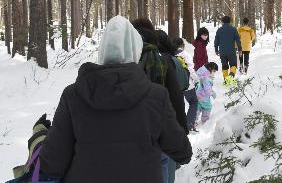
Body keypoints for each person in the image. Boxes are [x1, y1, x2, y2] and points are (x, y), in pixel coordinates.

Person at [29, 16, 192, 183]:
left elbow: (51, 164)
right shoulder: (156, 96)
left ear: (103, 50)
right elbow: (183, 152)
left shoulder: (73, 95)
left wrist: (40, 137)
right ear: (136, 51)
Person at [132, 19, 188, 183]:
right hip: (163, 126)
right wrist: (182, 129)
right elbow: (177, 95)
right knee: (165, 168)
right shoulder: (165, 61)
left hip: (132, 129)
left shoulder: (125, 60)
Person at [172, 37, 199, 133]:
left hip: (174, 85)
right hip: (187, 84)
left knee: (177, 105)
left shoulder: (170, 55)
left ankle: (176, 125)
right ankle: (189, 124)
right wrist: (196, 80)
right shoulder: (185, 55)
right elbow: (191, 70)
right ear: (182, 45)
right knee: (194, 102)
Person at [214, 16, 241, 85]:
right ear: (230, 22)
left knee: (224, 66)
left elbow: (216, 40)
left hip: (222, 51)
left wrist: (216, 49)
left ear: (222, 22)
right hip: (231, 51)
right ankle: (231, 76)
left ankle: (226, 80)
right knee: (233, 65)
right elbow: (238, 40)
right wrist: (240, 49)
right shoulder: (234, 29)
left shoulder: (219, 30)